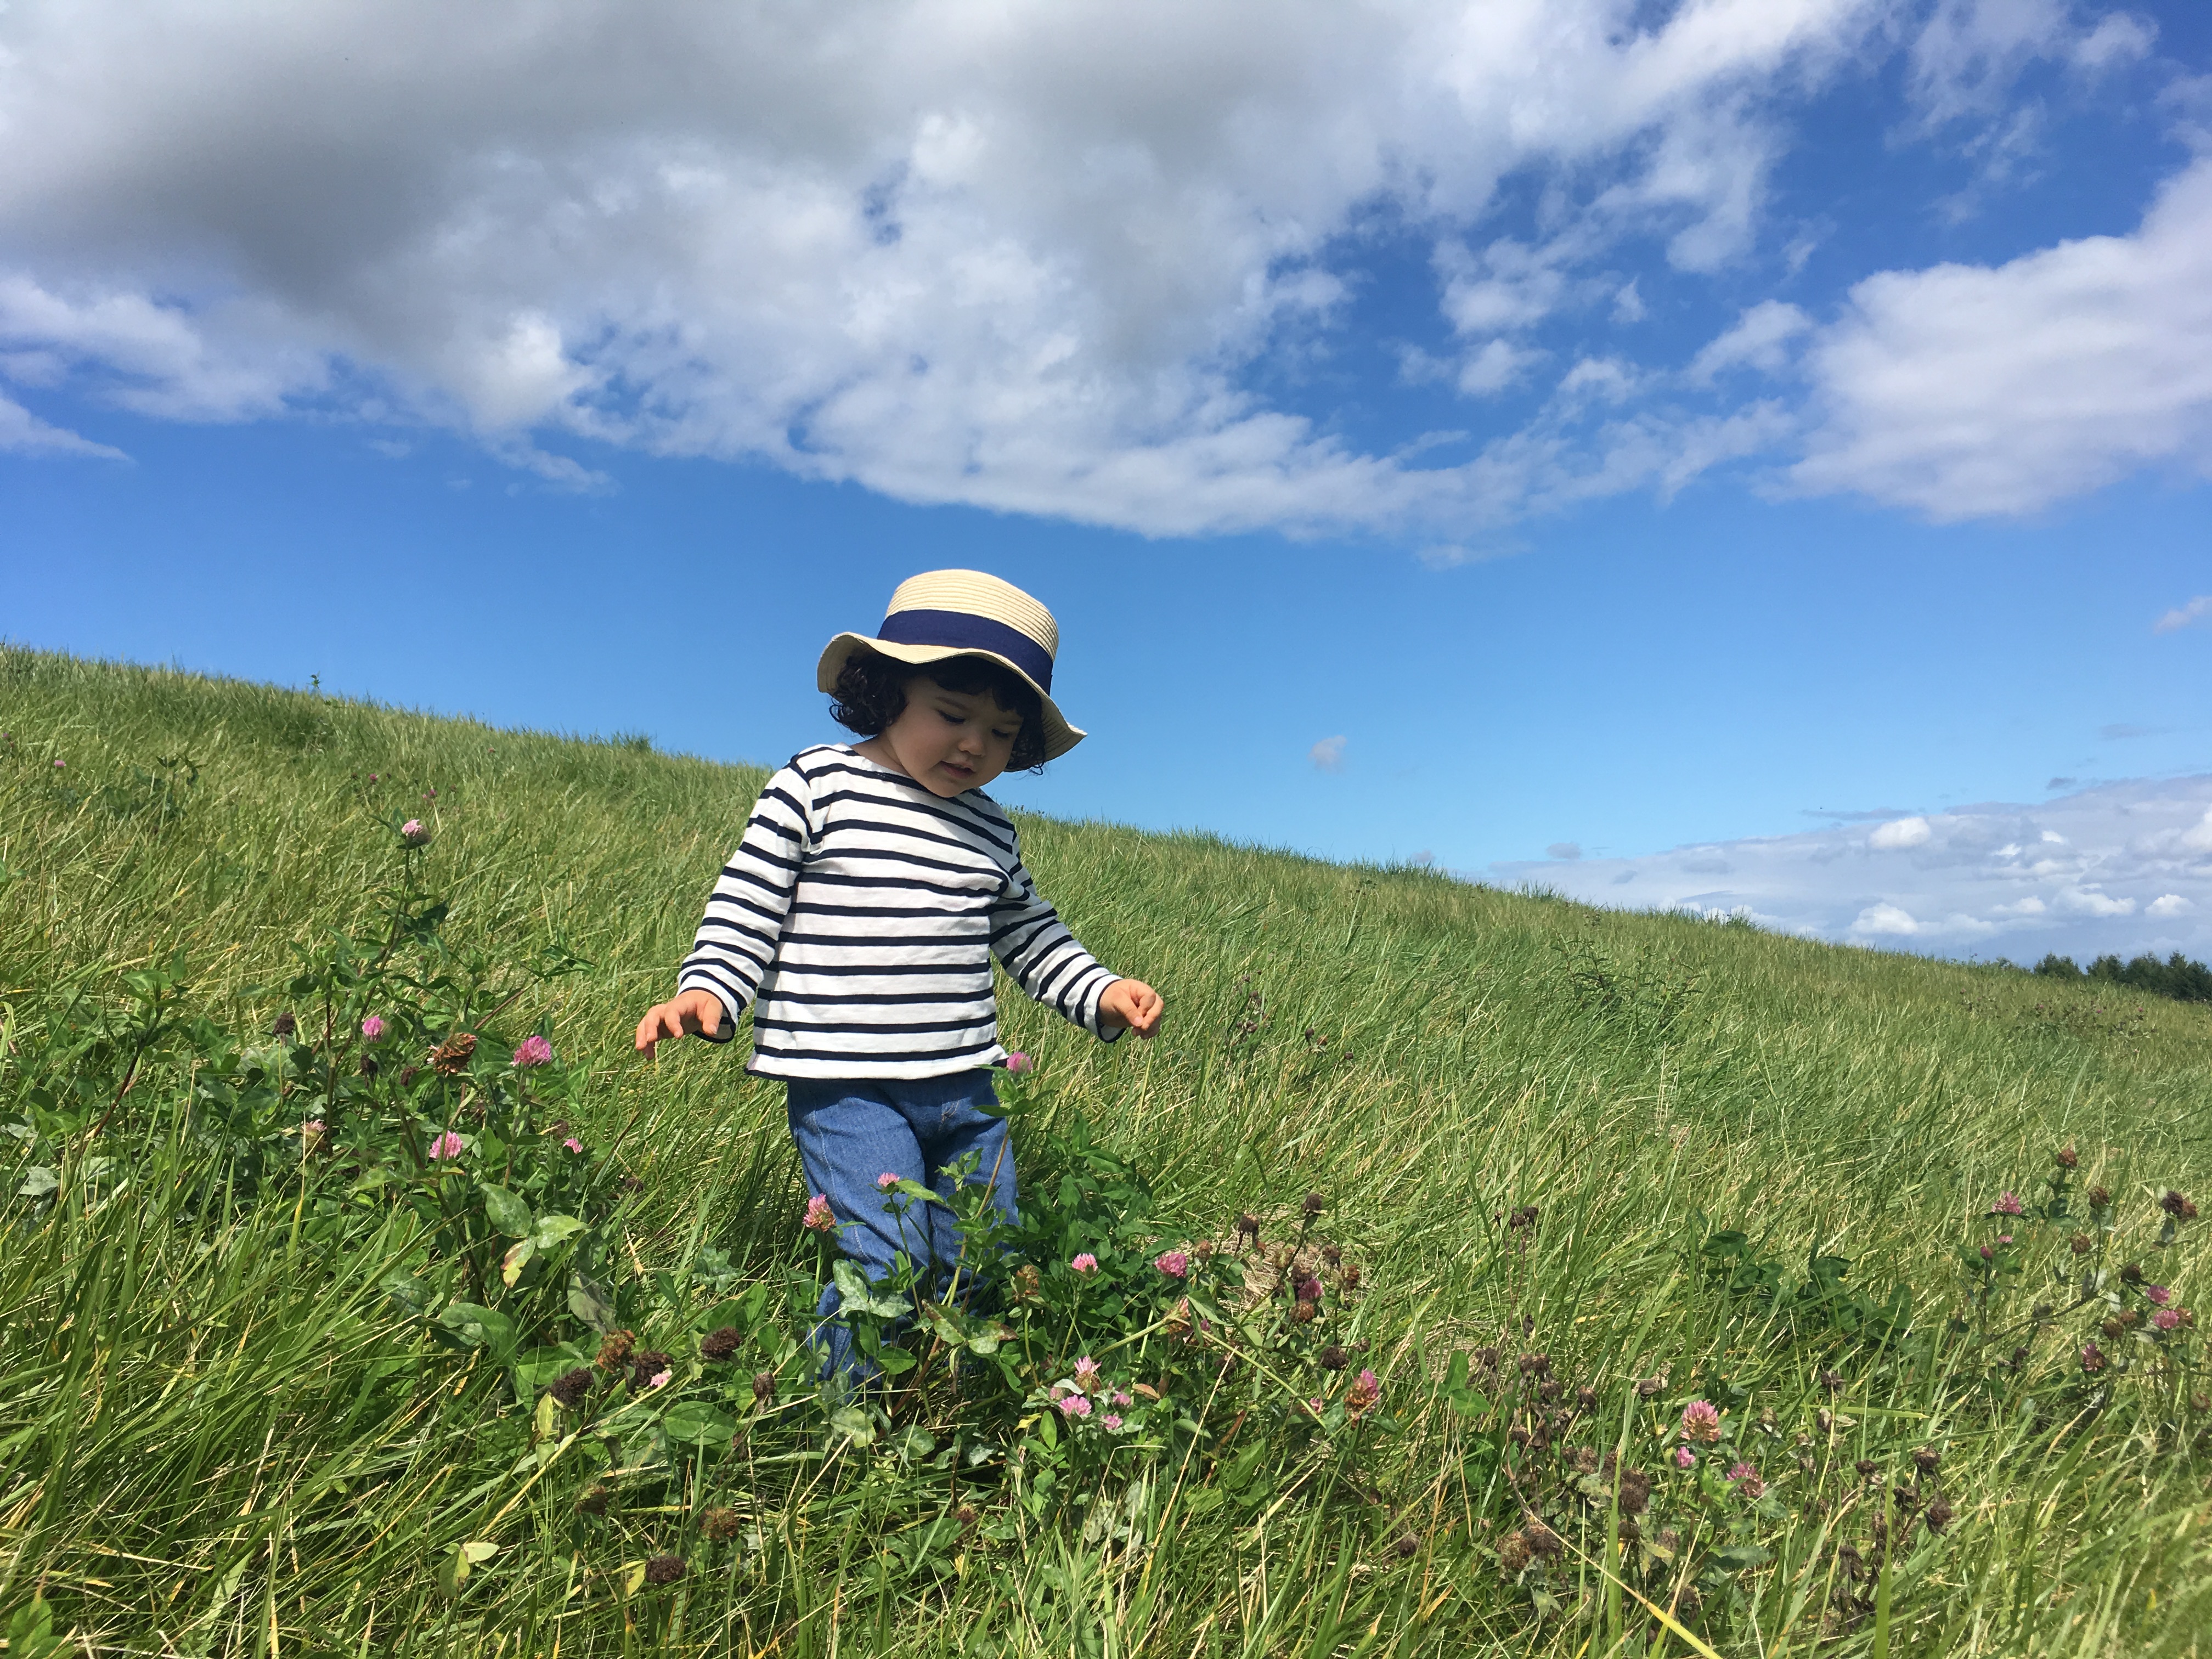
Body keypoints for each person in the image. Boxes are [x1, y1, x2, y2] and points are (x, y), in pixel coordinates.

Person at [634, 568, 1163, 1377]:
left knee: (983, 1254)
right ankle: (841, 1418)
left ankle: (956, 1412)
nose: (973, 744)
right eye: (952, 715)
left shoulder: (990, 830)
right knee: (886, 1258)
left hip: (967, 1089)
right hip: (848, 1086)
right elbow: (748, 902)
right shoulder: (818, 786)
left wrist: (1099, 990)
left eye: (1000, 731)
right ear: (885, 693)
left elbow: (1027, 933)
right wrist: (708, 988)